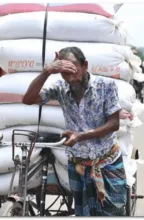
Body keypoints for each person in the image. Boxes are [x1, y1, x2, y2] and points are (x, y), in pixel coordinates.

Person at [22, 47, 127, 216]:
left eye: (73, 69)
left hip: (107, 162)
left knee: (113, 212)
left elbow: (114, 124)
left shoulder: (105, 86)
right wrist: (47, 71)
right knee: (82, 213)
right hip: (78, 165)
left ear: (85, 65)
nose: (70, 78)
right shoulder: (60, 88)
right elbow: (27, 99)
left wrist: (81, 136)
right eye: (64, 72)